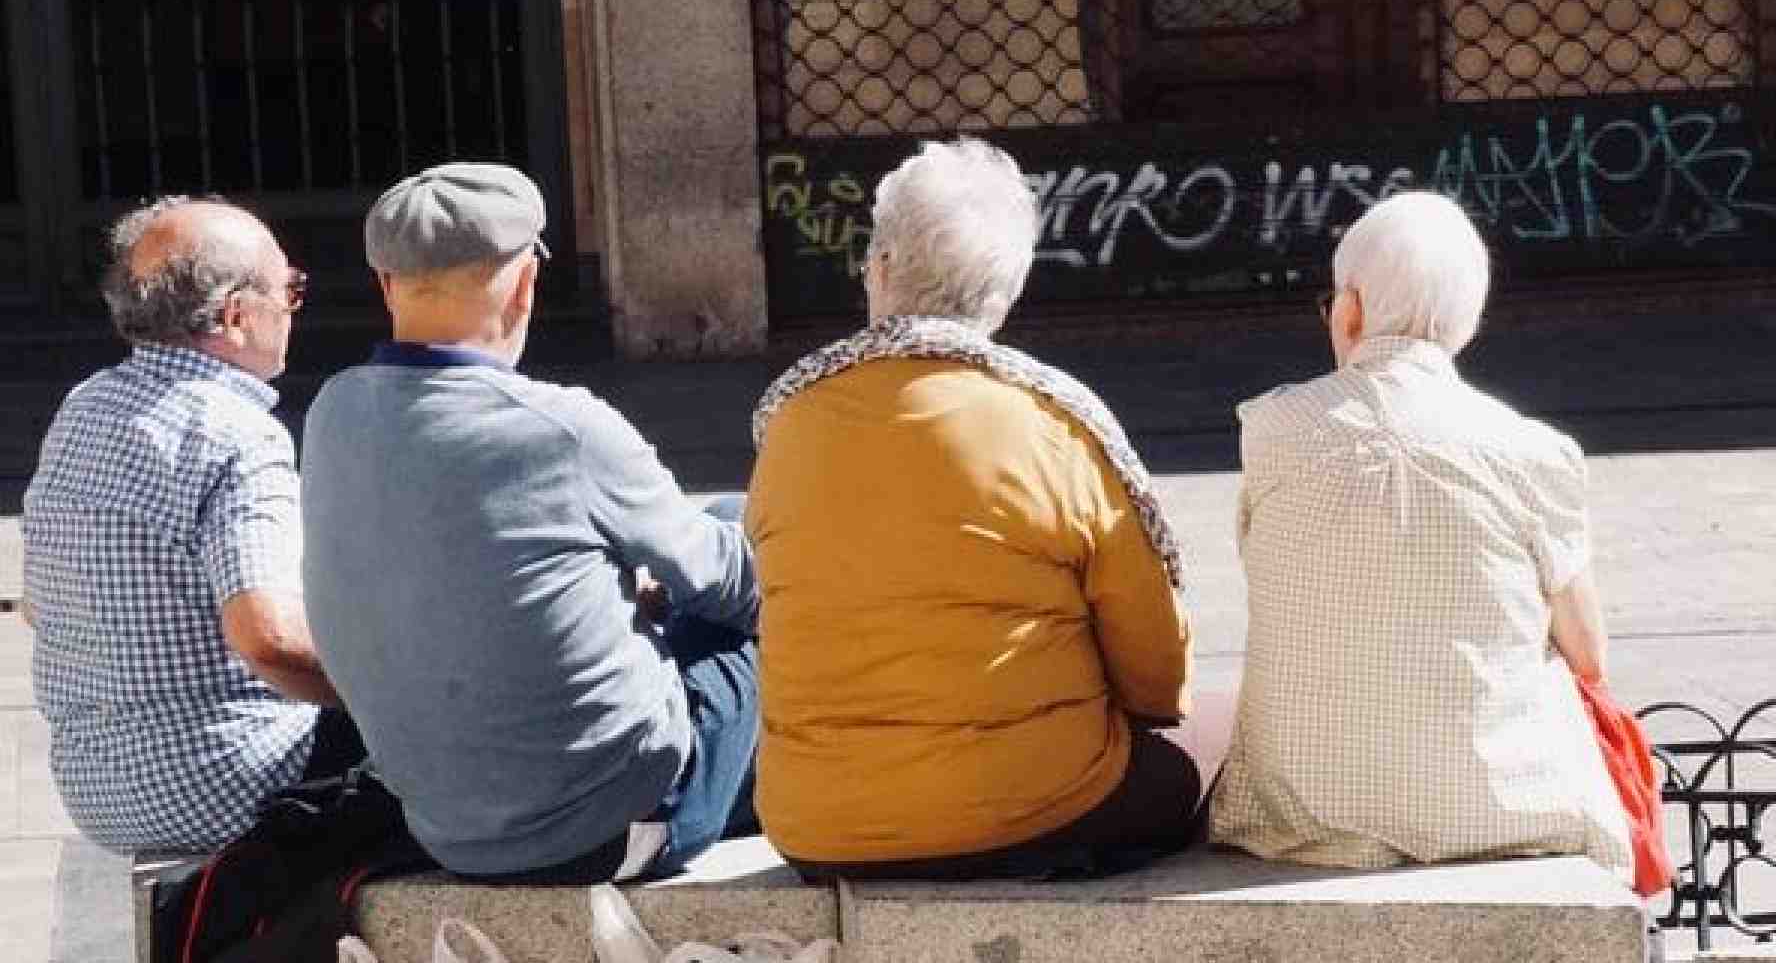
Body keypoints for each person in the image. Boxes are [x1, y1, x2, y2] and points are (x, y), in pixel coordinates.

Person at [748, 138, 1198, 881]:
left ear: (879, 270)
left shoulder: (787, 423)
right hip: (1033, 807)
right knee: (1181, 772)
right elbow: (1156, 663)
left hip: (817, 826)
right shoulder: (1053, 423)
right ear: (1005, 291)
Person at [300, 163, 759, 883]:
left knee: (714, 542)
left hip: (446, 831)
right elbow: (735, 586)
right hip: (617, 822)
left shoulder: (332, 412)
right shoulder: (562, 429)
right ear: (524, 284)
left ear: (386, 285)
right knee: (749, 561)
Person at [1210, 192, 1631, 880]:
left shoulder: (1271, 428)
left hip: (1301, 812)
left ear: (1350, 310)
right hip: (1498, 806)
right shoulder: (1531, 450)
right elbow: (1589, 655)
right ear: (1466, 323)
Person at [23, 197, 357, 854]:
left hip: (97, 791)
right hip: (229, 778)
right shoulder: (236, 433)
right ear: (236, 314)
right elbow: (268, 640)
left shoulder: (85, 408)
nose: (294, 307)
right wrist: (394, 691)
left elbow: (39, 606)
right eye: (289, 289)